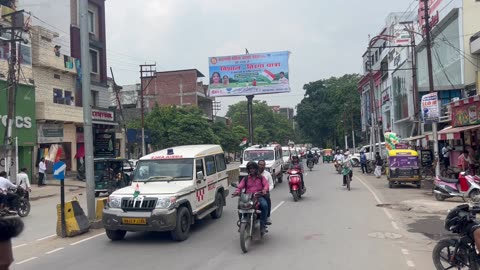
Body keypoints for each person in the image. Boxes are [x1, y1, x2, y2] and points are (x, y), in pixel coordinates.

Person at [232, 161, 269, 233]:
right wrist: (236, 192)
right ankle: (241, 223)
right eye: (250, 168)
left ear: (256, 169)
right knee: (240, 207)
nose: (251, 170)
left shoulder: (261, 178)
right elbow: (240, 187)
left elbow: (266, 185)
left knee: (264, 205)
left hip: (258, 196)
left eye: (253, 168)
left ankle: (262, 225)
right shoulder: (245, 179)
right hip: (248, 197)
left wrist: (264, 190)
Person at [258, 160, 273, 225]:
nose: (261, 166)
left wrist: (266, 190)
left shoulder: (267, 174)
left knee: (266, 202)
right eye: (260, 165)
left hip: (264, 193)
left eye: (263, 165)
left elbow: (271, 184)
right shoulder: (253, 174)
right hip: (253, 193)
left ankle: (267, 216)